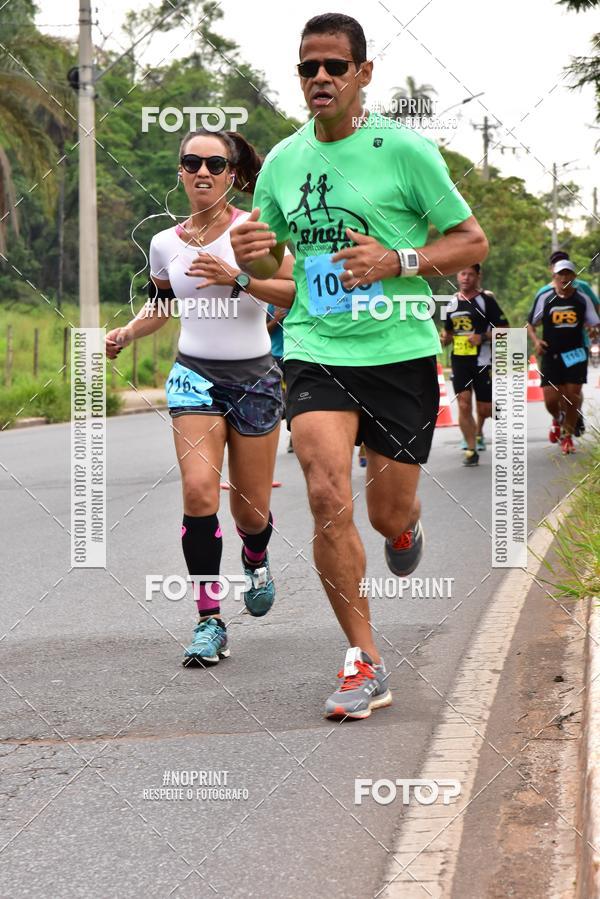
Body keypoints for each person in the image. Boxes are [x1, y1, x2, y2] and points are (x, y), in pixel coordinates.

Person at [231, 13, 488, 719]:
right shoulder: (283, 162)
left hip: (399, 351)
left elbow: (470, 241)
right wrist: (253, 249)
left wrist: (395, 260)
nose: (319, 78)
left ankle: (406, 527)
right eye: (308, 67)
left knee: (385, 512)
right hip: (317, 348)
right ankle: (364, 657)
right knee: (322, 493)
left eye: (334, 67)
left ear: (362, 74)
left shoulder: (405, 153)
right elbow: (276, 261)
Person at [106, 129, 295, 666]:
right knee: (197, 494)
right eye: (193, 163)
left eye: (216, 163)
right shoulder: (165, 243)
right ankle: (209, 620)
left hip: (256, 377)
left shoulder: (255, 231)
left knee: (252, 509)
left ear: (233, 174)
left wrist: (237, 279)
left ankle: (255, 556)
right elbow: (162, 305)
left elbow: (288, 292)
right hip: (194, 376)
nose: (203, 172)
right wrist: (126, 332)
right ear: (181, 173)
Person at [527, 259, 600, 454]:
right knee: (551, 399)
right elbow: (531, 324)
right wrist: (536, 341)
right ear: (555, 277)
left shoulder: (581, 299)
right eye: (561, 274)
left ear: (574, 277)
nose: (564, 278)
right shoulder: (545, 298)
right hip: (551, 354)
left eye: (568, 274)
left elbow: (594, 323)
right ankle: (559, 418)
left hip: (576, 353)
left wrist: (593, 332)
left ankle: (567, 436)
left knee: (572, 395)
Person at [440, 264, 508, 466]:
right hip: (459, 360)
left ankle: (488, 414)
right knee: (463, 403)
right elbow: (449, 333)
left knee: (484, 408)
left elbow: (505, 329)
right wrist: (445, 340)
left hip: (482, 360)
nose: (466, 278)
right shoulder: (451, 302)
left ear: (478, 276)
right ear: (457, 275)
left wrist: (483, 337)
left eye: (470, 274)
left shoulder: (486, 300)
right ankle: (471, 450)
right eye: (462, 273)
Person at [266, 302, 295, 453]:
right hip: (274, 356)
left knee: (295, 397)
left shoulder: (298, 296)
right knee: (275, 399)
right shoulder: (268, 302)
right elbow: (260, 331)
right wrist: (275, 319)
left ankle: (294, 436)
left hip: (296, 356)